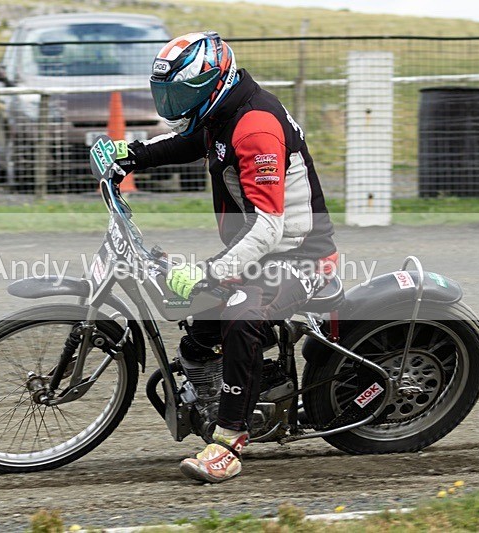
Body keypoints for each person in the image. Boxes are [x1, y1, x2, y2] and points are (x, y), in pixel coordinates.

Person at [111, 31, 338, 483]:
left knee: (239, 311)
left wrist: (210, 272)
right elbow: (195, 142)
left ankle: (231, 438)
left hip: (301, 255)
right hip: (264, 249)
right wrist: (132, 156)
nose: (173, 103)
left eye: (181, 93)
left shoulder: (255, 127)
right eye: (166, 93)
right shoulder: (224, 109)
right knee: (196, 331)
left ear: (212, 83)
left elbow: (269, 226)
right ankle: (223, 393)